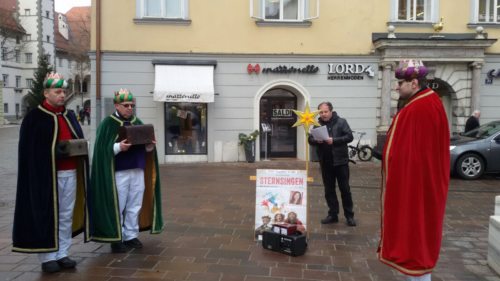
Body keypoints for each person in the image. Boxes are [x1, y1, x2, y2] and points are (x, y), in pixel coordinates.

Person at [377, 60, 449, 281]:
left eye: (400, 82)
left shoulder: (421, 107)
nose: (397, 87)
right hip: (419, 180)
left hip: (417, 183)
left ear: (414, 82)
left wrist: (391, 157)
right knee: (416, 234)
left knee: (416, 234)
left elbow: (416, 154)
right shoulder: (425, 102)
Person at [12, 72, 89, 273]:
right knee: (47, 214)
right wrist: (53, 151)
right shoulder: (34, 118)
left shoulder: (69, 116)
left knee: (65, 215)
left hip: (70, 173)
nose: (63, 95)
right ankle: (47, 256)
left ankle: (63, 252)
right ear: (46, 93)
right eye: (58, 91)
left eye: (64, 91)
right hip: (46, 175)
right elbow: (30, 151)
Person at [89, 88, 163, 253]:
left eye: (131, 105)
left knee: (134, 204)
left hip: (137, 169)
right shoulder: (108, 124)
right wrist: (117, 147)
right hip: (119, 172)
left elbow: (147, 149)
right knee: (119, 204)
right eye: (126, 105)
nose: (130, 108)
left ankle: (130, 235)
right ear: (116, 105)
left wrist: (150, 146)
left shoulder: (138, 122)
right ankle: (117, 237)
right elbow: (101, 149)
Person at [308, 101, 356, 227]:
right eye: (321, 112)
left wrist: (334, 140)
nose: (323, 114)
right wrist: (315, 140)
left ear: (331, 111)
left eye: (325, 112)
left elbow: (349, 136)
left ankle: (349, 216)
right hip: (325, 162)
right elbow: (310, 139)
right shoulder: (317, 124)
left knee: (345, 189)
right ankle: (333, 214)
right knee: (329, 190)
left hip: (341, 162)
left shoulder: (341, 122)